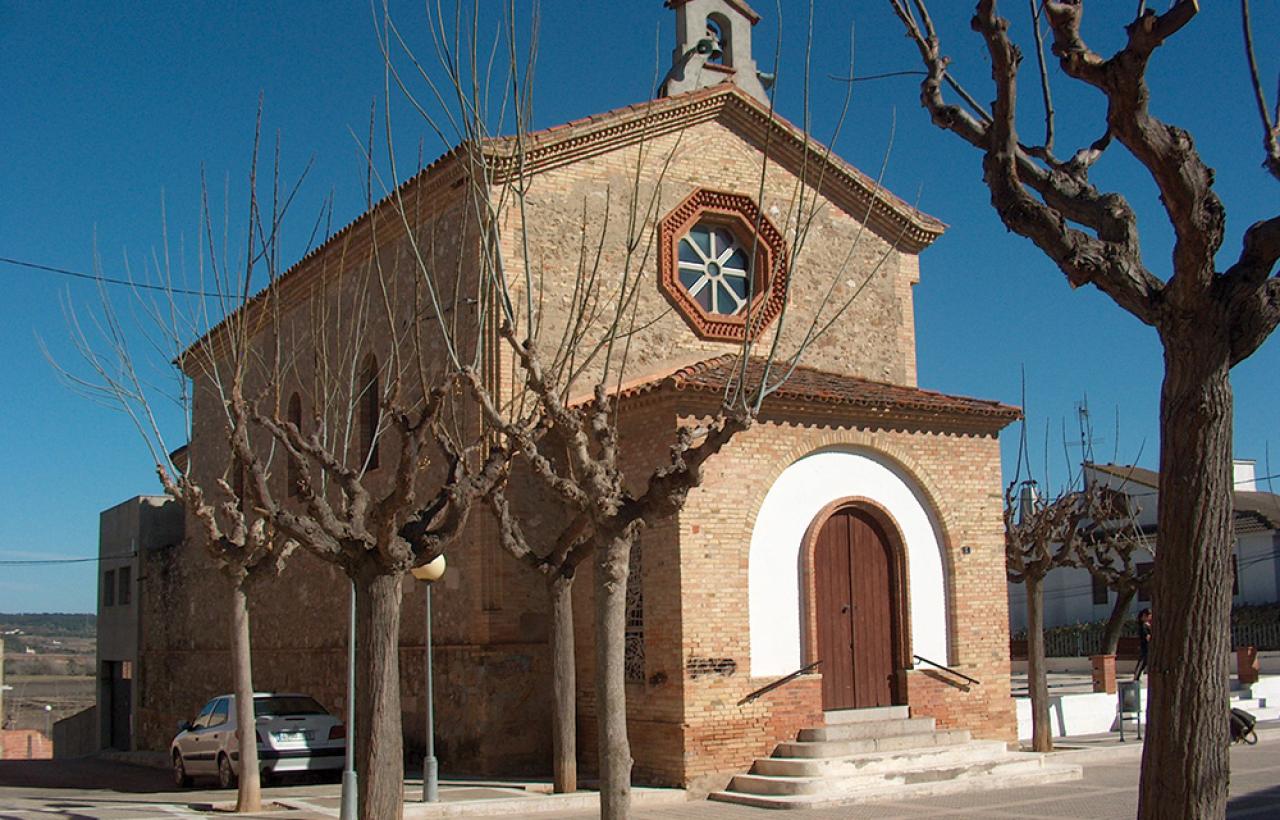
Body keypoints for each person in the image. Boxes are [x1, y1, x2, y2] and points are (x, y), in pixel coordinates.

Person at [1133, 608, 1152, 681]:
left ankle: (1138, 677)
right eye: (1149, 616)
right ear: (1144, 616)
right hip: (1145, 647)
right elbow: (1147, 637)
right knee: (1142, 662)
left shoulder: (1147, 625)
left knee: (1145, 662)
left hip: (1148, 647)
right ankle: (1136, 677)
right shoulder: (1143, 626)